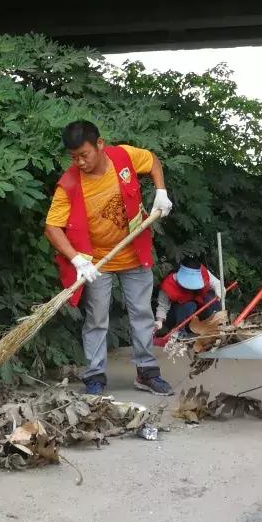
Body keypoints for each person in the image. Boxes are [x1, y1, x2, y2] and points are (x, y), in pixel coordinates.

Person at [44, 120, 175, 397]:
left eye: (84, 154)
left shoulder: (124, 157)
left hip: (134, 252)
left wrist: (161, 192)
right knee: (96, 319)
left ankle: (147, 372)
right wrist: (78, 260)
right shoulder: (69, 184)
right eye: (73, 157)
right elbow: (52, 227)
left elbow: (152, 161)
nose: (79, 162)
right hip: (96, 263)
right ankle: (95, 376)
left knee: (142, 313)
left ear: (100, 145)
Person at [154, 256, 224, 337]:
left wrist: (220, 290)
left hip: (199, 312)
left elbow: (216, 283)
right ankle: (179, 332)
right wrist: (159, 321)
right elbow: (162, 306)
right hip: (179, 315)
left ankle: (216, 326)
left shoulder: (203, 272)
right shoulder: (168, 284)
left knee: (211, 299)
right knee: (189, 305)